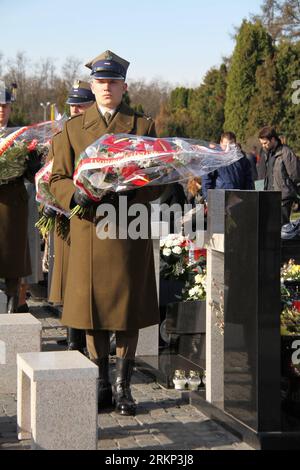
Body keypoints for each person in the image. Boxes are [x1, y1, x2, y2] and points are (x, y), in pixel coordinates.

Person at [49, 51, 163, 416]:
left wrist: (135, 185)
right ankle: (100, 383)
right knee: (92, 311)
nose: (107, 87)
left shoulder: (142, 127)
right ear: (92, 86)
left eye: (114, 82)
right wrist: (76, 194)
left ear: (124, 86)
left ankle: (123, 387)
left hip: (127, 228)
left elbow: (160, 179)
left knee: (126, 312)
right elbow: (57, 179)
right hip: (90, 229)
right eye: (101, 81)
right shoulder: (71, 129)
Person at [47, 80, 96, 353]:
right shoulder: (62, 134)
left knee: (85, 282)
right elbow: (53, 175)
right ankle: (73, 340)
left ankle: (87, 341)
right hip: (66, 215)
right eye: (73, 105)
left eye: (82, 104)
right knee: (69, 280)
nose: (76, 109)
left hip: (90, 217)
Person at [0, 87, 31, 312]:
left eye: (5, 106)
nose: (2, 111)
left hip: (12, 206)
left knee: (12, 264)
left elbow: (31, 173)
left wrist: (32, 164)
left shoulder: (21, 136)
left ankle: (11, 313)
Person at [258, 126, 300, 226]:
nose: (263, 146)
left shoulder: (286, 152)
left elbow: (295, 175)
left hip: (283, 197)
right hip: (269, 195)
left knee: (282, 228)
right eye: (262, 143)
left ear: (273, 139)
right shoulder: (265, 153)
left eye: (265, 143)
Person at [201, 132, 254, 202]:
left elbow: (248, 179)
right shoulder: (214, 159)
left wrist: (249, 196)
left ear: (235, 144)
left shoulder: (242, 159)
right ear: (220, 143)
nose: (228, 148)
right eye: (225, 145)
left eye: (231, 145)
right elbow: (206, 180)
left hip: (239, 198)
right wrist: (208, 198)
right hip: (219, 198)